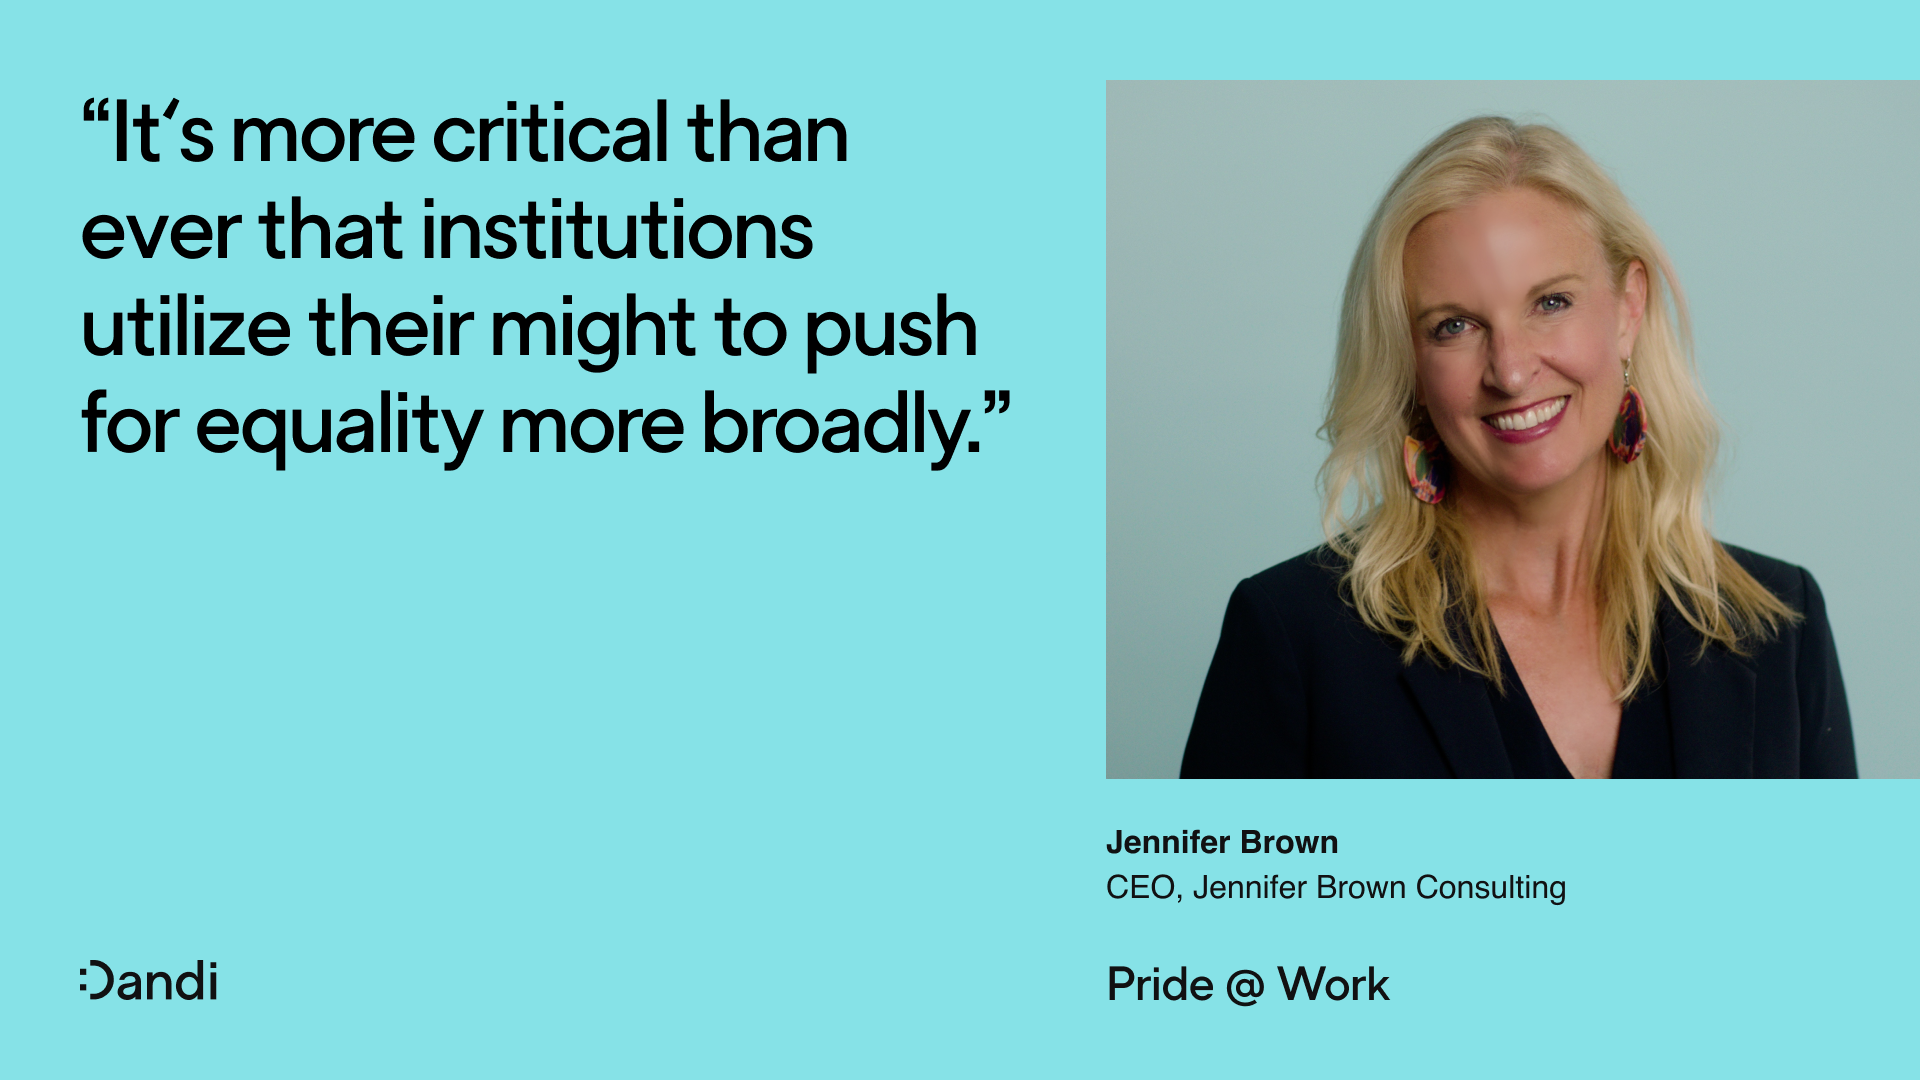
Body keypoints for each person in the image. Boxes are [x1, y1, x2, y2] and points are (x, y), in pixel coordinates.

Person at [1181, 116, 1854, 779]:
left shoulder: (1777, 625)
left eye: (1551, 303)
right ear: (1408, 363)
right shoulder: (1294, 637)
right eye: (1454, 325)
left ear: (1627, 311)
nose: (1508, 369)